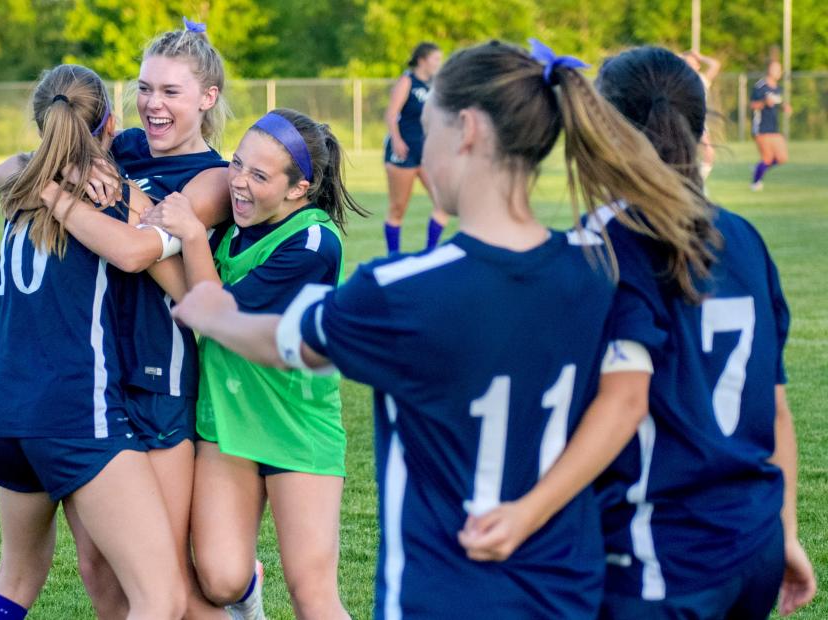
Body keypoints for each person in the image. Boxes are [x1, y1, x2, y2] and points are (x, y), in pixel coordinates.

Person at [169, 40, 715, 618]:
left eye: (427, 130)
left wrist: (210, 310)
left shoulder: (399, 288)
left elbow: (284, 344)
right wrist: (531, 511)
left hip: (439, 589)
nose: (417, 154)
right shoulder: (602, 271)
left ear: (469, 132)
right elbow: (627, 403)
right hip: (565, 587)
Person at [0, 20, 247, 620]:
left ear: (208, 98)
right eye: (144, 88)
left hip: (156, 382)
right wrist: (67, 174)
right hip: (96, 384)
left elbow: (139, 251)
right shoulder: (123, 147)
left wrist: (70, 192)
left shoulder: (211, 177)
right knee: (99, 572)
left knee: (170, 589)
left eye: (171, 92)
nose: (153, 105)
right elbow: (11, 166)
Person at [593, 46, 816, 619]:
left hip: (662, 556)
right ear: (698, 128)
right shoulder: (743, 238)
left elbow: (611, 406)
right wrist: (787, 533)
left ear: (605, 130)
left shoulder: (609, 245)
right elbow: (777, 411)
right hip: (754, 545)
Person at [0, 64, 187, 620]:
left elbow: (2, 170)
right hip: (78, 414)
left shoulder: (22, 183)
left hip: (9, 412)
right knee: (160, 598)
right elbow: (186, 293)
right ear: (111, 122)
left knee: (17, 576)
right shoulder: (112, 196)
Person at [143, 108, 367, 620]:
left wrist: (193, 238)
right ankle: (250, 593)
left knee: (312, 594)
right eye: (237, 164)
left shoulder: (312, 243)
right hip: (225, 420)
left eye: (259, 176)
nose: (238, 184)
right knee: (221, 579)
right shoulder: (234, 215)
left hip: (295, 425)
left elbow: (219, 317)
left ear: (299, 190)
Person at [383, 42, 448, 253]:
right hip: (404, 152)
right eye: (435, 59)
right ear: (422, 60)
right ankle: (394, 257)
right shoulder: (407, 80)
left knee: (443, 204)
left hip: (426, 152)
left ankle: (430, 253)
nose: (439, 63)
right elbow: (392, 114)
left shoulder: (434, 85)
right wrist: (397, 140)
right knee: (398, 208)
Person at [750, 60, 791, 191]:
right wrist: (763, 102)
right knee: (767, 158)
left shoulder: (778, 88)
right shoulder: (760, 86)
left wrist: (784, 107)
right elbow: (753, 105)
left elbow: (776, 104)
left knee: (782, 158)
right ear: (768, 69)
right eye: (775, 69)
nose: (778, 72)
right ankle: (755, 183)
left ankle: (759, 168)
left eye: (779, 69)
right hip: (761, 128)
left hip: (774, 128)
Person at [680, 50, 720, 180]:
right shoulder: (677, 79)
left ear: (698, 66)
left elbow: (715, 65)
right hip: (680, 120)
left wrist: (701, 57)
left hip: (697, 120)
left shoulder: (702, 80)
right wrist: (679, 56)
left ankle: (699, 181)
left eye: (693, 63)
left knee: (708, 152)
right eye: (686, 63)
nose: (690, 66)